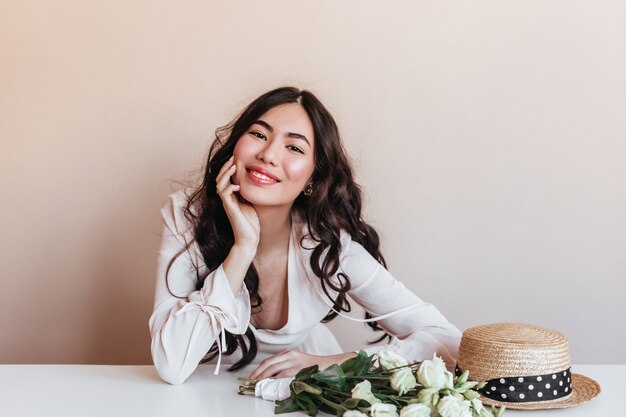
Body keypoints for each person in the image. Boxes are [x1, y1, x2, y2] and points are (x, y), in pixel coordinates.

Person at [148, 86, 461, 385]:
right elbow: (171, 365)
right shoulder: (187, 215)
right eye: (258, 134)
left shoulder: (326, 246)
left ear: (312, 179)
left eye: (294, 147)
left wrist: (338, 361)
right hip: (203, 399)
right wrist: (243, 249)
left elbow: (448, 339)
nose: (268, 155)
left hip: (301, 397)